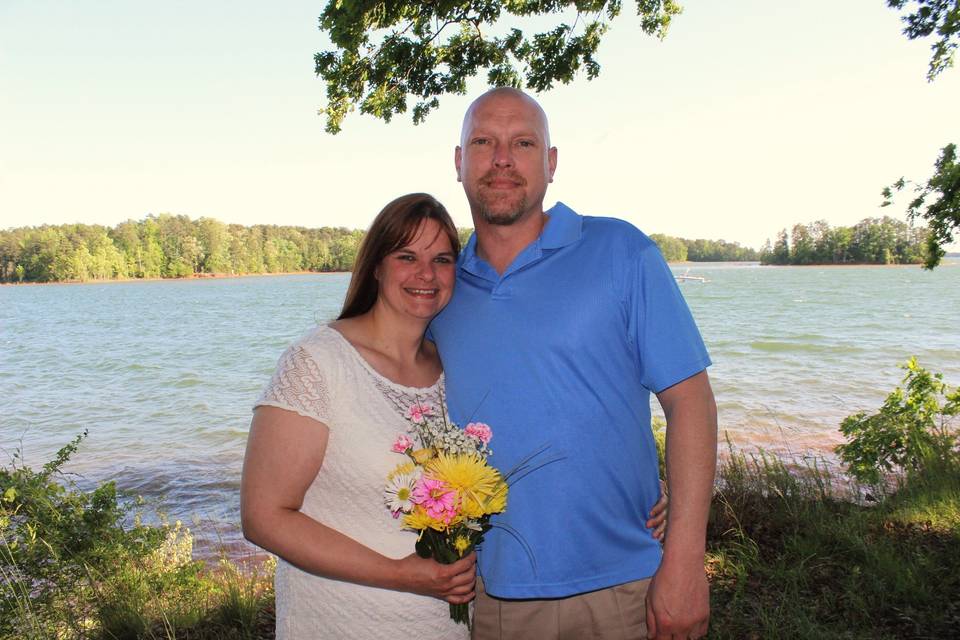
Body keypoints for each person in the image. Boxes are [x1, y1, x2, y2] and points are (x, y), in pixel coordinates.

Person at [240, 191, 673, 638]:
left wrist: (631, 485)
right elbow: (264, 516)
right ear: (375, 265)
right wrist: (399, 574)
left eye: (443, 259)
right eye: (407, 256)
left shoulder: (449, 364)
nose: (425, 274)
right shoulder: (318, 362)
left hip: (446, 625)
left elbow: (526, 430)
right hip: (345, 620)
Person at [428, 88, 718, 640]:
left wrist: (685, 559)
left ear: (551, 162)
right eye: (484, 142)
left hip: (627, 585)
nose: (503, 159)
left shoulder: (621, 251)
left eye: (523, 143)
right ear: (459, 161)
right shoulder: (439, 288)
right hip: (495, 596)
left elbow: (691, 403)